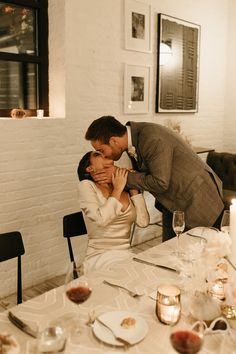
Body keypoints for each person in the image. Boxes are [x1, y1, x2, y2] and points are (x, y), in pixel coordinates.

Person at [85, 116, 225, 241]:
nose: (105, 156)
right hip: (175, 202)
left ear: (113, 141)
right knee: (173, 251)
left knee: (203, 252)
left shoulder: (151, 138)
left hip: (199, 198)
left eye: (102, 150)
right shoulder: (134, 139)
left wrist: (124, 175)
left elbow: (160, 182)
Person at [77, 150, 150, 269]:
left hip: (125, 254)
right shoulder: (86, 186)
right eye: (97, 154)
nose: (105, 154)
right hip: (99, 256)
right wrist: (118, 189)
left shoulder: (121, 185)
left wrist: (133, 188)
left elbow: (143, 222)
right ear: (89, 168)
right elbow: (101, 220)